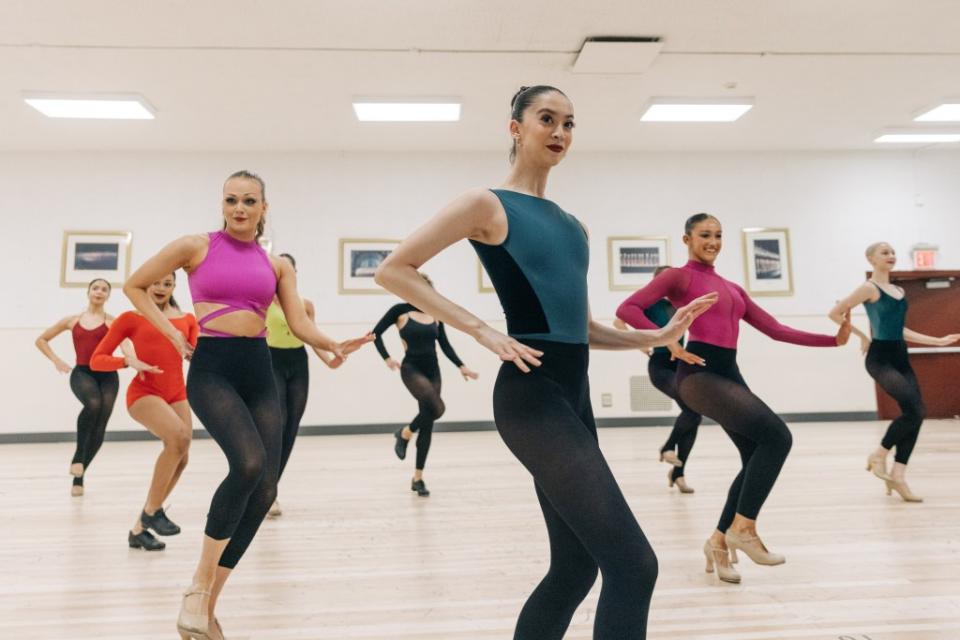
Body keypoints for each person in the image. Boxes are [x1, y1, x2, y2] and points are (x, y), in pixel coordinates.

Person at [375, 85, 716, 639]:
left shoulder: (574, 225)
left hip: (572, 397)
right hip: (530, 398)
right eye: (547, 119)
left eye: (570, 123)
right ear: (516, 127)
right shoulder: (485, 204)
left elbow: (579, 330)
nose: (560, 132)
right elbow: (394, 270)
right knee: (634, 565)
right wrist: (480, 329)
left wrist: (657, 336)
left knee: (576, 565)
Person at [122, 170, 373, 640]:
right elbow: (134, 286)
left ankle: (207, 608)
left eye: (249, 201)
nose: (240, 208)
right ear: (222, 204)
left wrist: (333, 345)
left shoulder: (277, 266)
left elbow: (297, 322)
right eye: (232, 200)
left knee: (265, 486)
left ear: (264, 208)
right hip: (213, 368)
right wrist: (173, 332)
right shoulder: (195, 246)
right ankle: (198, 584)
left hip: (259, 370)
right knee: (249, 462)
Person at [617, 213, 851, 585]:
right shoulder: (678, 276)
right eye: (704, 235)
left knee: (755, 456)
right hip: (699, 374)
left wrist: (831, 340)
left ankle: (718, 542)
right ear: (687, 239)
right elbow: (626, 309)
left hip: (729, 372)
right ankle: (744, 529)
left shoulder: (732, 288)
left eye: (718, 235)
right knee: (778, 437)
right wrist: (669, 340)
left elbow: (775, 329)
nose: (712, 241)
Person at [828, 241, 959, 502]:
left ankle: (898, 475)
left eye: (893, 253)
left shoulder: (898, 290)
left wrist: (938, 340)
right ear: (871, 260)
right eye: (884, 253)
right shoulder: (869, 288)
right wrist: (862, 336)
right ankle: (879, 455)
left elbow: (899, 329)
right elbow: (835, 313)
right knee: (915, 410)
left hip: (901, 357)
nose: (891, 256)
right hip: (880, 359)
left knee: (916, 413)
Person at [90, 272, 197, 551]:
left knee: (182, 456)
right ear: (145, 286)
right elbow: (97, 360)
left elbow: (199, 354)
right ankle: (152, 511)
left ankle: (139, 529)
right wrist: (128, 361)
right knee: (179, 439)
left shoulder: (187, 320)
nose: (161, 288)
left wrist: (194, 353)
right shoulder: (130, 318)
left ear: (174, 287)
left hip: (177, 392)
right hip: (144, 393)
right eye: (156, 282)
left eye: (167, 283)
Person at [372, 272, 479, 497]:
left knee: (428, 421)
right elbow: (375, 334)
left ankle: (417, 477)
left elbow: (445, 344)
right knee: (437, 408)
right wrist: (387, 358)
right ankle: (404, 433)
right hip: (411, 369)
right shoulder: (399, 310)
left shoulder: (435, 313)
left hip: (433, 371)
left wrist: (461, 366)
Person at [265, 252, 343, 517]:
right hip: (272, 361)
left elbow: (311, 335)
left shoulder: (304, 304)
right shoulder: (262, 303)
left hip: (298, 363)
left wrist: (329, 359)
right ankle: (264, 489)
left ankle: (271, 490)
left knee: (291, 427)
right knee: (277, 423)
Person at [35, 278, 127, 496]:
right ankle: (78, 457)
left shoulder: (113, 322)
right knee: (93, 404)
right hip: (83, 373)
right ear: (88, 292)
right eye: (96, 288)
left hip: (107, 376)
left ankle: (79, 475)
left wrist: (132, 358)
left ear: (108, 296)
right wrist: (56, 360)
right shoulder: (72, 320)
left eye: (104, 289)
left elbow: (126, 345)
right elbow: (42, 340)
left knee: (100, 424)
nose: (99, 291)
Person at [614, 265, 702, 493]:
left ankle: (678, 473)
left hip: (681, 365)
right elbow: (618, 322)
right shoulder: (650, 304)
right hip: (661, 366)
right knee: (692, 410)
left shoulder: (681, 306)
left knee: (694, 412)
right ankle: (666, 449)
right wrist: (640, 344)